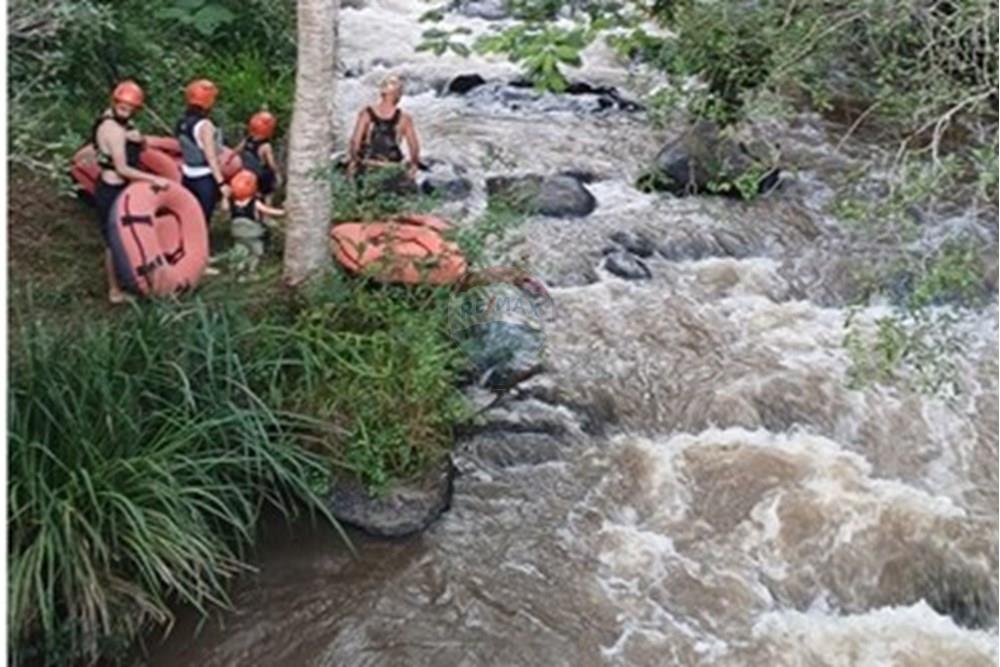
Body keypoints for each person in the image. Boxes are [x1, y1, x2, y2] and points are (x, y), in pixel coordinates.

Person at [91, 80, 171, 304]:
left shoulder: (113, 119)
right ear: (115, 102)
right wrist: (154, 178)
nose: (126, 111)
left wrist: (136, 137)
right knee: (112, 240)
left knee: (124, 236)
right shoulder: (114, 130)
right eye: (123, 107)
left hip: (115, 186)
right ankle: (114, 290)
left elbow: (128, 134)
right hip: (111, 187)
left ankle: (127, 278)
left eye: (131, 108)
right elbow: (123, 168)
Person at [347, 74, 421, 191]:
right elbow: (414, 148)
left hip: (369, 166)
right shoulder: (404, 118)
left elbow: (354, 143)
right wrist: (414, 165)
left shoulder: (366, 114)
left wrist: (353, 161)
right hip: (392, 169)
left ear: (382, 93)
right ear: (398, 95)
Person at [175, 79, 229, 234]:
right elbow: (211, 158)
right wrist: (221, 183)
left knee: (188, 217)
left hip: (187, 176)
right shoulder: (205, 125)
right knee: (202, 221)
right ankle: (201, 254)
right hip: (204, 179)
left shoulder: (182, 122)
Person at [227, 169, 284, 273]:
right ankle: (252, 270)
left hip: (237, 232)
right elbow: (268, 210)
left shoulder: (232, 201)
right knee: (257, 251)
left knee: (240, 248)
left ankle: (238, 268)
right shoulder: (254, 202)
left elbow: (224, 208)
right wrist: (283, 212)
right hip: (252, 232)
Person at [236, 111, 281, 204]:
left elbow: (236, 151)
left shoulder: (247, 140)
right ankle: (266, 213)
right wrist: (278, 174)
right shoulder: (266, 146)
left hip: (247, 172)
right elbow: (271, 164)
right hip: (261, 175)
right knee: (268, 193)